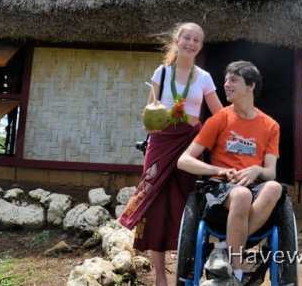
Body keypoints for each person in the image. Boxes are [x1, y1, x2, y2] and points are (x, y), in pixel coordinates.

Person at [119, 22, 223, 286]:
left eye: (196, 40)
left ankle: (187, 268)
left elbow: (220, 116)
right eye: (186, 38)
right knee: (155, 207)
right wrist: (161, 113)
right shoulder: (162, 73)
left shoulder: (204, 77)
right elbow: (148, 114)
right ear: (177, 40)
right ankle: (160, 276)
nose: (190, 43)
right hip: (161, 144)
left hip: (190, 147)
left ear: (200, 46)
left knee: (190, 202)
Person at [177, 60, 282, 285]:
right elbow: (183, 161)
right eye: (225, 80)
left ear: (251, 86)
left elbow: (271, 173)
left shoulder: (270, 125)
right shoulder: (219, 119)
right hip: (220, 191)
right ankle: (235, 272)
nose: (226, 84)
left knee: (274, 187)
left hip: (254, 188)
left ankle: (224, 249)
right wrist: (219, 171)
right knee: (241, 195)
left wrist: (256, 169)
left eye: (233, 80)